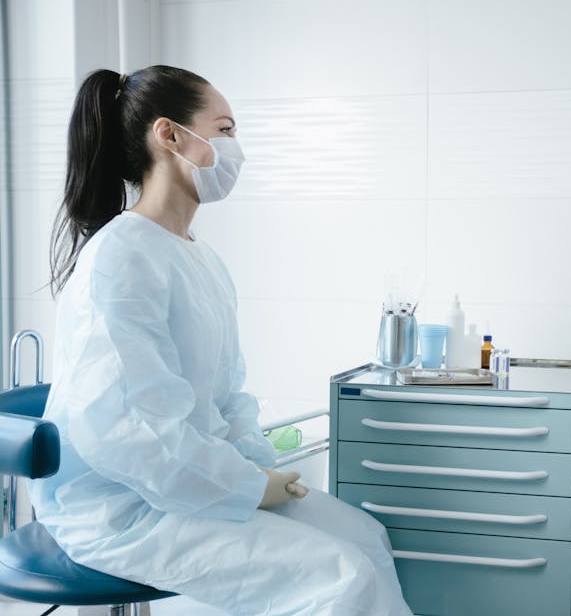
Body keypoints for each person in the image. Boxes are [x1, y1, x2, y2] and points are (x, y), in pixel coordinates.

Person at [30, 65, 413, 616]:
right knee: (340, 579)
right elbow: (133, 435)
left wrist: (259, 470)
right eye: (225, 130)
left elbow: (226, 396)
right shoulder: (119, 259)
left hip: (197, 481)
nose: (237, 150)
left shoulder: (199, 257)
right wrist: (247, 487)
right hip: (124, 505)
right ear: (169, 135)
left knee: (365, 540)